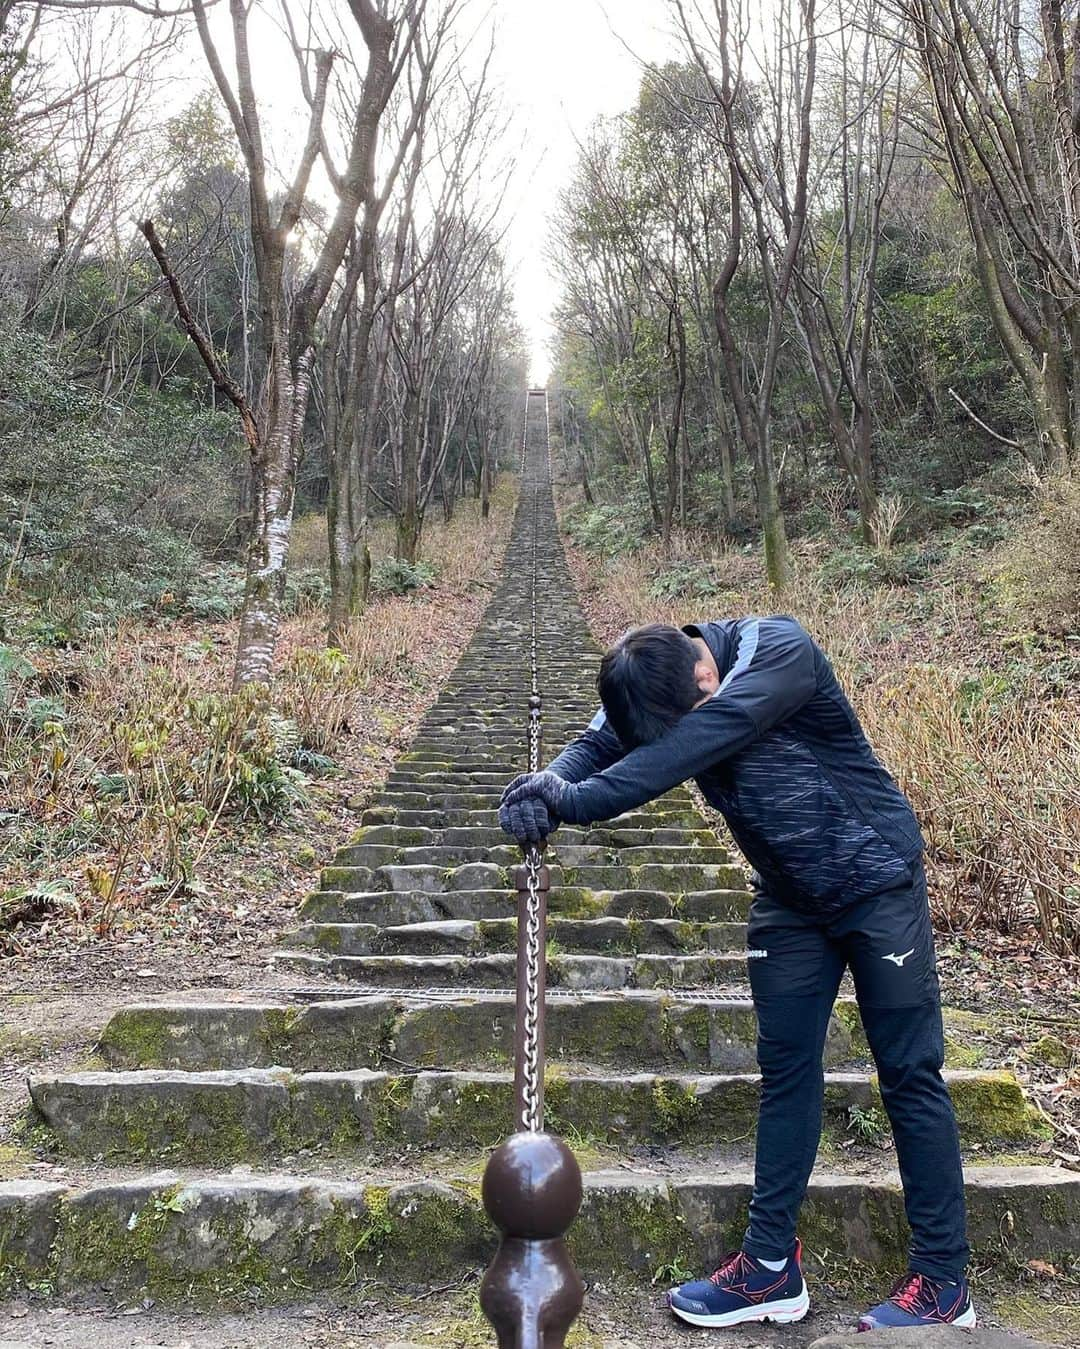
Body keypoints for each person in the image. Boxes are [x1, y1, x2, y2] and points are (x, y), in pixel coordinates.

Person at [498, 617, 974, 1333]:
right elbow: (597, 745)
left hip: (877, 881)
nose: (670, 748)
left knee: (909, 1071)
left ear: (702, 675)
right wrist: (546, 782)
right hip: (789, 899)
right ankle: (770, 1267)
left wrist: (575, 803)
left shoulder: (778, 652)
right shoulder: (647, 682)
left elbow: (693, 742)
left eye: (677, 727)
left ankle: (942, 1281)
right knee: (785, 1069)